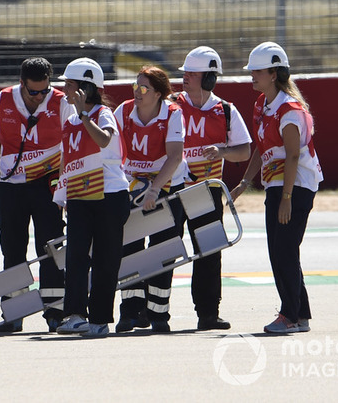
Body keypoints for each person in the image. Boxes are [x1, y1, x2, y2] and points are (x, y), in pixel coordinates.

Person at [230, 41, 323, 334]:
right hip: (276, 183)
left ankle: (290, 316)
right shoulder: (262, 105)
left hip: (295, 186)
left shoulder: (290, 109)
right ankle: (300, 315)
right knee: (282, 251)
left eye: (257, 71)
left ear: (273, 74)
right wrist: (245, 182)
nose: (251, 75)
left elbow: (294, 154)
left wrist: (286, 198)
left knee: (283, 250)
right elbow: (262, 147)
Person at [0, 57, 70, 333]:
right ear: (21, 84)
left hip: (48, 185)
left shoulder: (61, 102)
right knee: (12, 248)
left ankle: (55, 312)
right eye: (33, 92)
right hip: (11, 186)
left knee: (51, 247)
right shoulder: (2, 100)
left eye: (44, 90)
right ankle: (14, 312)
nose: (40, 97)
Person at [172, 46, 252, 331]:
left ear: (208, 79)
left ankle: (208, 313)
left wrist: (222, 151)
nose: (185, 78)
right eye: (185, 73)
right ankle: (153, 314)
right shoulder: (170, 105)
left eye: (192, 74)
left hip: (207, 191)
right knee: (165, 248)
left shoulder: (226, 110)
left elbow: (244, 151)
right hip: (172, 190)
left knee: (209, 251)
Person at [54, 57, 130, 338]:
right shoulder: (71, 118)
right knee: (75, 257)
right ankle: (74, 314)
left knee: (105, 260)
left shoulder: (102, 114)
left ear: (86, 88)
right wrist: (61, 195)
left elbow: (103, 140)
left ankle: (99, 319)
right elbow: (67, 158)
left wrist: (84, 115)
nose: (64, 89)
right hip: (79, 196)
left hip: (109, 196)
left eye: (69, 84)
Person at [113, 66, 187, 333]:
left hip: (166, 184)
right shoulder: (122, 111)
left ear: (158, 94)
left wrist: (154, 190)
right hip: (133, 184)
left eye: (143, 88)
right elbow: (112, 151)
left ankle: (158, 314)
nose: (137, 92)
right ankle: (131, 312)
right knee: (129, 248)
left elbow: (175, 156)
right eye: (135, 85)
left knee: (162, 250)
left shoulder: (173, 113)